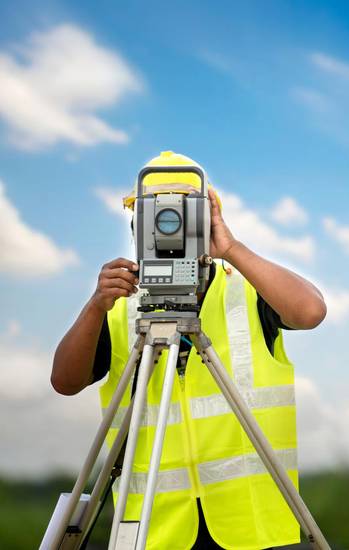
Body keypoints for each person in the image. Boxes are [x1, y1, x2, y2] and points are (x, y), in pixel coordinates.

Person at [51, 151, 327, 550]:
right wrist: (96, 304)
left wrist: (231, 248)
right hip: (154, 528)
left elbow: (311, 311)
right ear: (136, 226)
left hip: (245, 524)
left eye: (183, 217)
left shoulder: (247, 291)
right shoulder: (120, 306)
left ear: (207, 221)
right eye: (156, 217)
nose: (170, 227)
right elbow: (64, 381)